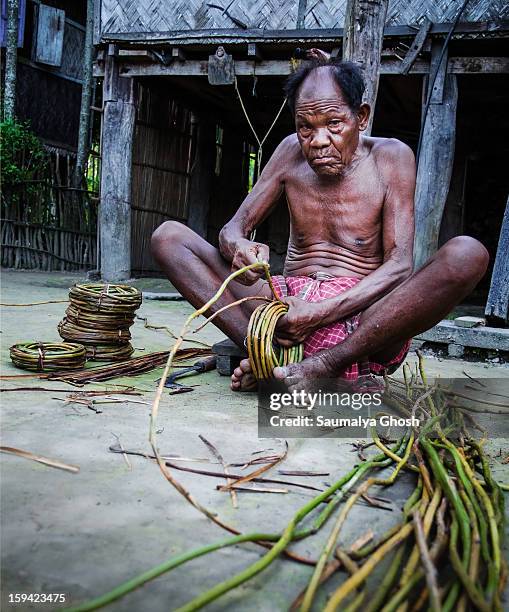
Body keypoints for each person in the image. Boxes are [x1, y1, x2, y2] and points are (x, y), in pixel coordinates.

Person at [151, 57, 488, 392]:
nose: (318, 140)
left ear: (361, 117)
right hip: (285, 305)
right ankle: (269, 357)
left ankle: (326, 364)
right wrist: (241, 248)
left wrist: (319, 313)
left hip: (360, 313)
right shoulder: (288, 152)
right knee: (169, 239)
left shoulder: (391, 157)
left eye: (334, 124)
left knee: (466, 255)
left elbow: (399, 266)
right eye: (305, 127)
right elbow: (231, 230)